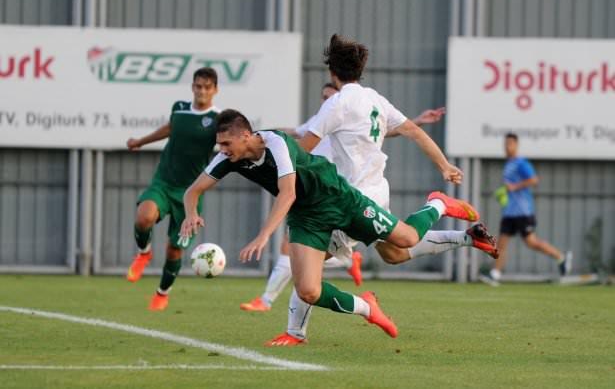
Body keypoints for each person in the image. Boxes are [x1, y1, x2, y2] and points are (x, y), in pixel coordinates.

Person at [265, 34, 498, 346]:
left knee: (309, 263)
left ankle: (438, 205)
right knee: (394, 253)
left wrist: (263, 156)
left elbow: (302, 150)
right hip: (376, 191)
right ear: (360, 70)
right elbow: (412, 131)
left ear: (332, 71)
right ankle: (466, 237)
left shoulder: (337, 103)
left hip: (352, 200)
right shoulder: (373, 98)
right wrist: (444, 165)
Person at [180, 109, 491, 342]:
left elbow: (287, 192)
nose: (222, 150)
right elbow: (193, 190)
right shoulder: (227, 159)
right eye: (219, 145)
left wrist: (263, 236)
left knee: (405, 240)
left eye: (226, 143)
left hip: (339, 199)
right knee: (308, 290)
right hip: (306, 217)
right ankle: (367, 308)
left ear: (246, 135)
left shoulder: (275, 142)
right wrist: (191, 213)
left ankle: (437, 204)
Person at [240, 82, 447, 312]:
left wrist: (417, 121)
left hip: (341, 196)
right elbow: (294, 133)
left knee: (399, 244)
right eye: (323, 97)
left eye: (331, 96)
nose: (326, 100)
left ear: (340, 96)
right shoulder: (320, 119)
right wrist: (257, 136)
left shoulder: (345, 113)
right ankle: (344, 264)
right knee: (392, 252)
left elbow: (382, 131)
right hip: (324, 197)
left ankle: (271, 302)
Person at [125, 67, 220, 311]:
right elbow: (169, 129)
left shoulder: (217, 119)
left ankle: (162, 293)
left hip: (191, 193)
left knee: (174, 249)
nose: (202, 91)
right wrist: (140, 142)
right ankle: (144, 253)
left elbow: (227, 146)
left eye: (207, 87)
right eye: (198, 86)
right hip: (164, 182)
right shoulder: (179, 108)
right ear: (192, 87)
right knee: (144, 217)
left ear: (215, 90)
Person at [479, 133, 572, 287]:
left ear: (516, 145)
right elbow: (510, 187)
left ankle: (561, 257)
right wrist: (503, 194)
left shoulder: (521, 163)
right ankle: (495, 274)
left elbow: (534, 180)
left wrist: (515, 187)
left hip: (523, 211)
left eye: (510, 144)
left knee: (531, 242)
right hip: (509, 212)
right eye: (505, 144)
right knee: (501, 243)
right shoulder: (508, 164)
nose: (507, 147)